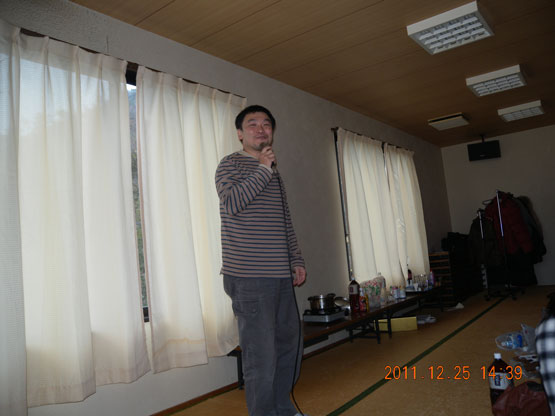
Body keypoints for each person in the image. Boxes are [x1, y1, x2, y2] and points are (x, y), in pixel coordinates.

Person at [215, 105, 308, 416]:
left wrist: (296, 258)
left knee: (289, 347)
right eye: (252, 124)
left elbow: (284, 220)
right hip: (249, 277)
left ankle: (283, 408)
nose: (261, 129)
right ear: (240, 134)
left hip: (280, 275)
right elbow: (232, 203)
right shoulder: (230, 165)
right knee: (260, 356)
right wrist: (264, 169)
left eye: (266, 124)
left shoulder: (273, 174)